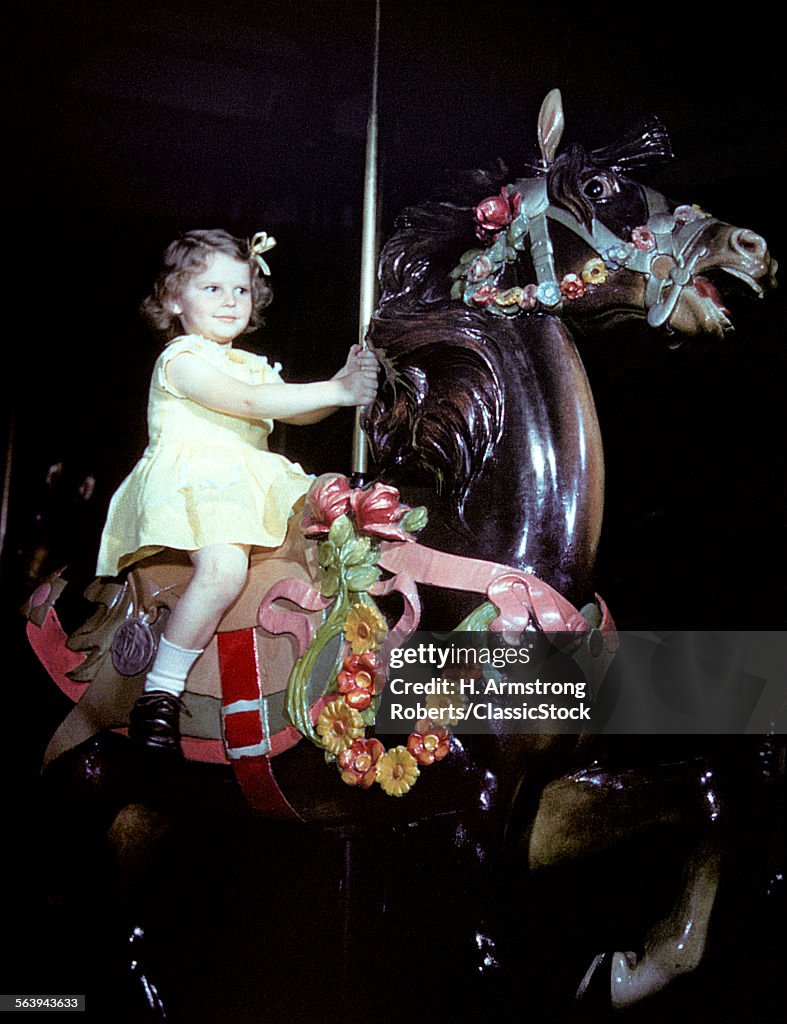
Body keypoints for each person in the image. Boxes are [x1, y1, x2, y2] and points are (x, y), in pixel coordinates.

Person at [96, 228, 378, 754]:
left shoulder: (251, 362)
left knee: (334, 534)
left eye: (241, 290)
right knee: (224, 569)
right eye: (212, 289)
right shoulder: (181, 359)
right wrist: (337, 390)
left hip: (250, 481)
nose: (230, 302)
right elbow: (248, 403)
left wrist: (339, 390)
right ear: (175, 299)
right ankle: (160, 692)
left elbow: (286, 403)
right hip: (198, 483)